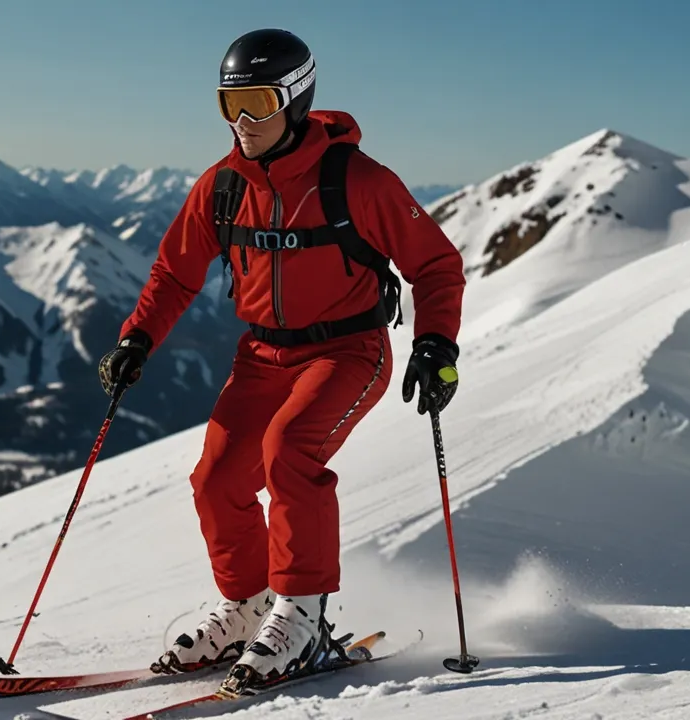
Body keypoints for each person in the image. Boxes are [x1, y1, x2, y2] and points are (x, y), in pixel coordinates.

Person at [97, 28, 466, 691]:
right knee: (216, 478)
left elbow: (435, 263)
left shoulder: (358, 181)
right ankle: (247, 607)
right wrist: (137, 337)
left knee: (289, 451)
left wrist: (436, 343)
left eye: (258, 104)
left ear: (295, 101)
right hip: (263, 354)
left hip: (349, 351)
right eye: (228, 106)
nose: (241, 122)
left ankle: (303, 613)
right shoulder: (223, 187)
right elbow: (175, 273)